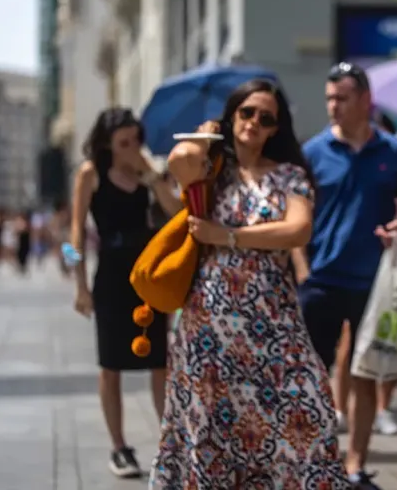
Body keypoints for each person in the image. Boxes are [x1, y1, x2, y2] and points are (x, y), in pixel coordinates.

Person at [152, 79, 350, 488]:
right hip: (209, 325)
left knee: (308, 408)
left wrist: (226, 236)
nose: (254, 123)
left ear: (276, 128)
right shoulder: (211, 169)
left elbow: (297, 230)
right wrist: (207, 136)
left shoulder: (289, 174)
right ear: (233, 116)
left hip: (273, 321)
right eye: (246, 113)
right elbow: (178, 162)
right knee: (210, 430)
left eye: (266, 118)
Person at [302, 62, 397, 488]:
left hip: (374, 281)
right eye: (329, 97)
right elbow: (297, 216)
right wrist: (301, 270)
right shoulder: (312, 152)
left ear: (366, 101)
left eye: (342, 97)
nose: (333, 105)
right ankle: (317, 462)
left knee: (366, 373)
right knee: (313, 377)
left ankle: (354, 467)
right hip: (320, 280)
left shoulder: (393, 151)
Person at [69, 107, 182, 478]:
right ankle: (119, 446)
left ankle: (170, 442)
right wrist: (80, 285)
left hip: (147, 273)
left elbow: (176, 211)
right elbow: (74, 235)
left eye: (136, 140)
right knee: (111, 364)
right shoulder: (91, 173)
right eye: (124, 142)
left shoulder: (147, 170)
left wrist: (152, 178)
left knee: (160, 360)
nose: (132, 147)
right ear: (107, 142)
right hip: (111, 273)